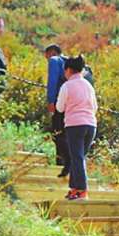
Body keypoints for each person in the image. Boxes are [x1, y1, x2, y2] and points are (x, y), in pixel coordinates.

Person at [56, 55, 97, 200]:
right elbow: (95, 107)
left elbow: (59, 108)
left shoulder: (66, 86)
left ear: (68, 70)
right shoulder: (88, 85)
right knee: (78, 157)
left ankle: (82, 189)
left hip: (75, 125)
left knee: (77, 157)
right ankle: (74, 188)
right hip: (91, 125)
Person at [45, 44, 70, 177]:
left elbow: (52, 81)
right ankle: (67, 166)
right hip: (73, 107)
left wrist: (50, 101)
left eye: (47, 56)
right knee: (68, 136)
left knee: (58, 135)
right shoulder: (70, 63)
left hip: (60, 104)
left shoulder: (55, 61)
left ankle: (61, 164)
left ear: (53, 52)